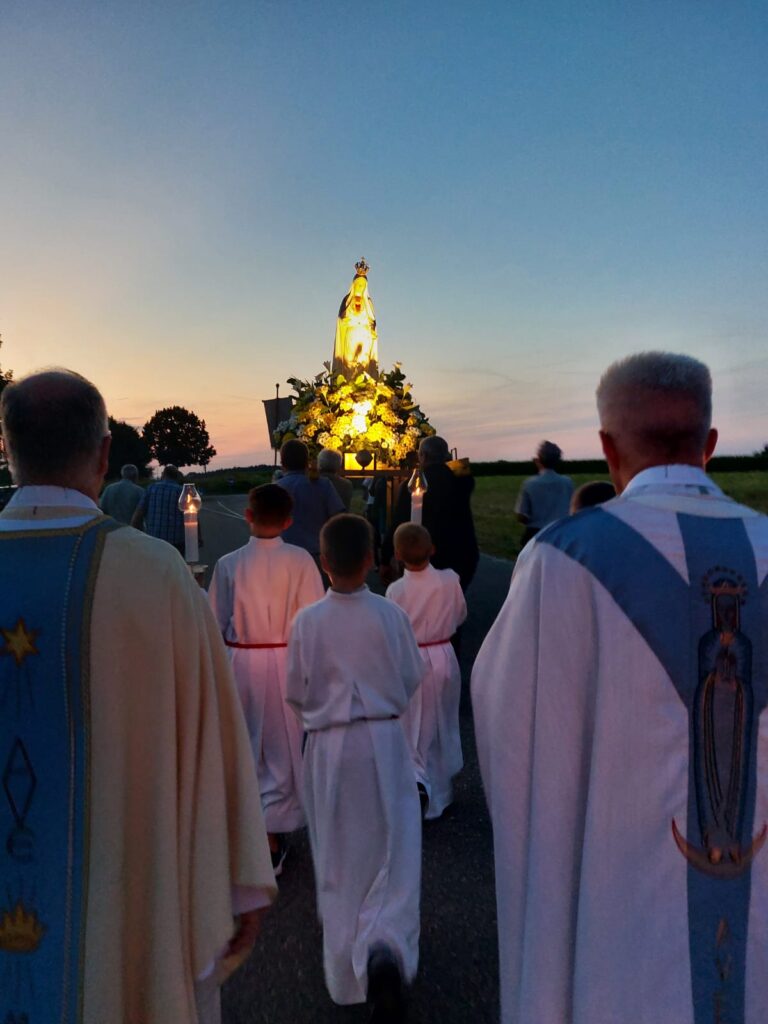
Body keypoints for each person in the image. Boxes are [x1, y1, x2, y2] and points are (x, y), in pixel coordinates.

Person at [472, 351, 768, 1024]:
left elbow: (512, 732)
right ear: (711, 444)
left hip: (615, 938)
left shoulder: (562, 560)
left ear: (606, 448)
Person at [0, 370, 276, 1024]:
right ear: (102, 454)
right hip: (125, 923)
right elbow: (213, 745)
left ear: (8, 450)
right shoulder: (160, 578)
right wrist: (232, 879)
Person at [286, 514, 424, 1018]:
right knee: (396, 847)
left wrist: (325, 717)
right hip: (385, 741)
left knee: (340, 855)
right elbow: (411, 676)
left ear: (324, 563)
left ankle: (348, 970)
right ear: (370, 559)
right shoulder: (391, 616)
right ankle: (387, 946)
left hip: (330, 748)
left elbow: (296, 692)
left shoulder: (307, 622)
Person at [207, 483, 324, 873]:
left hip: (241, 662)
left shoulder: (228, 564)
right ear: (289, 521)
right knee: (283, 748)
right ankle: (270, 834)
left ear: (248, 515)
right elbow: (312, 619)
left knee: (247, 745)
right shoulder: (302, 561)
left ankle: (260, 832)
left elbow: (214, 620)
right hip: (288, 660)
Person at [386, 523, 467, 819]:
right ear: (432, 549)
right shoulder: (449, 580)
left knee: (413, 723)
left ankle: (417, 783)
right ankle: (436, 791)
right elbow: (460, 614)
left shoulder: (396, 590)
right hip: (444, 654)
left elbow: (392, 629)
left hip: (411, 658)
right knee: (440, 720)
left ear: (397, 554)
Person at [382, 435, 479, 593]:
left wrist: (385, 558)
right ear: (446, 456)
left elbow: (399, 521)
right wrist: (449, 458)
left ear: (423, 456)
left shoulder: (415, 484)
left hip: (427, 555)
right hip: (463, 552)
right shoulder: (463, 481)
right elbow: (463, 469)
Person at [275, 439, 344, 560]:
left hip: (283, 556)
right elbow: (339, 518)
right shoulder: (323, 485)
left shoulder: (275, 488)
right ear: (307, 461)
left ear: (282, 462)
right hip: (316, 555)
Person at [514, 439, 574, 546]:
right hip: (562, 532)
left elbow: (522, 516)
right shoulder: (567, 482)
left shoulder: (529, 483)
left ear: (538, 460)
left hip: (536, 533)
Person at [332, 258, 378, 377]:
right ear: (354, 284)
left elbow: (373, 323)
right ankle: (347, 387)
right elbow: (340, 320)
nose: (360, 286)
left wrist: (372, 329)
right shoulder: (347, 300)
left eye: (363, 285)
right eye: (359, 284)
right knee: (350, 363)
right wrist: (346, 321)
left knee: (363, 364)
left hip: (364, 337)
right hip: (351, 336)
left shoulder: (368, 302)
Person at [131, 463, 185, 554]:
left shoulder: (151, 488)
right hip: (176, 542)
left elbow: (139, 513)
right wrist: (197, 536)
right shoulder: (180, 491)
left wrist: (134, 532)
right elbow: (190, 515)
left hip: (154, 539)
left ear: (163, 474)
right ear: (176, 476)